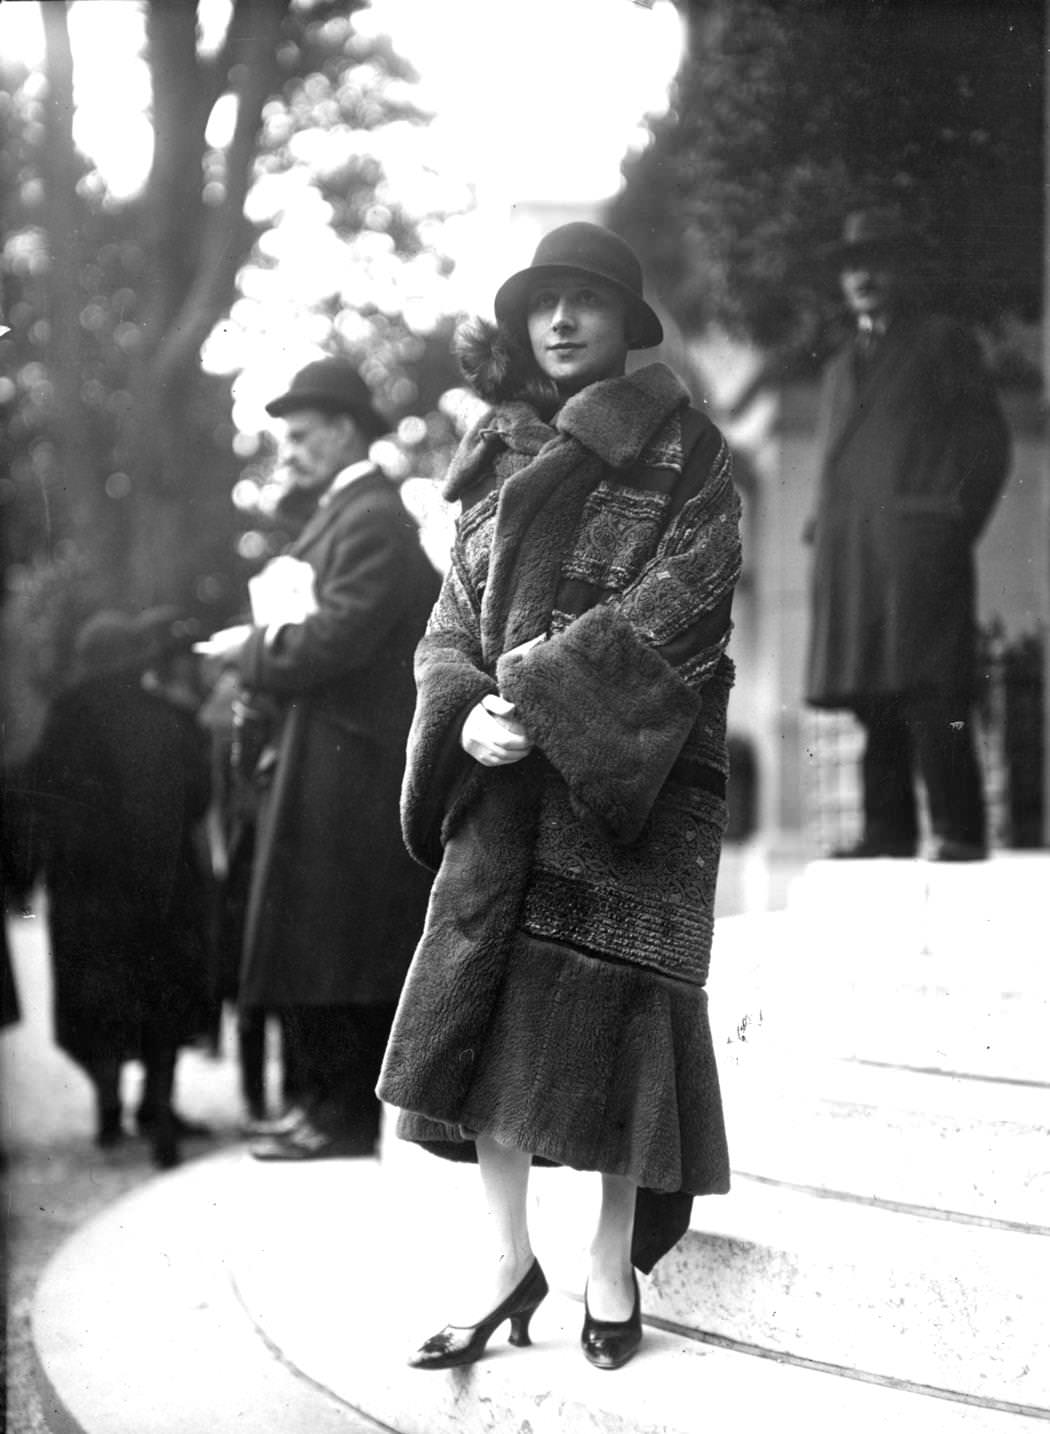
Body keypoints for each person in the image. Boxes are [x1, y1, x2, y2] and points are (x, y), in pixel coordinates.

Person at [376, 222, 742, 1370]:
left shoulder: (689, 451)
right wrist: (466, 707)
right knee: (488, 1020)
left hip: (631, 781)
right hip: (503, 779)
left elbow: (693, 598)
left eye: (588, 299)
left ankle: (607, 1259)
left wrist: (541, 693)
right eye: (544, 301)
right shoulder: (491, 454)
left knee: (625, 1019)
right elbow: (449, 618)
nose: (562, 320)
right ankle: (503, 1261)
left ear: (625, 324)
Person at [201, 356, 438, 1161]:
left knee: (342, 940)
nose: (290, 452)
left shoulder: (369, 515)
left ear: (344, 432)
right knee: (322, 935)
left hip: (355, 766)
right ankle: (321, 1106)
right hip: (331, 757)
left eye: (302, 437)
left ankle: (338, 1116)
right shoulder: (347, 512)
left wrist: (252, 648)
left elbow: (339, 636)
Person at [805, 207, 1011, 861]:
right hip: (856, 553)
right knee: (875, 694)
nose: (864, 276)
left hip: (921, 550)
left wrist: (949, 525)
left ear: (902, 271)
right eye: (853, 266)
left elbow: (988, 444)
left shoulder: (940, 342)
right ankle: (886, 831)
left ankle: (958, 829)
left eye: (878, 262)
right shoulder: (839, 368)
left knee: (932, 688)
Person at [10, 609, 214, 1169]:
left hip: (89, 888)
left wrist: (28, 875)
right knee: (164, 991)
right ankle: (160, 1108)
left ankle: (106, 1111)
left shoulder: (65, 717)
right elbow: (199, 798)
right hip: (165, 883)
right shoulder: (173, 719)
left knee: (97, 996)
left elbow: (33, 796)